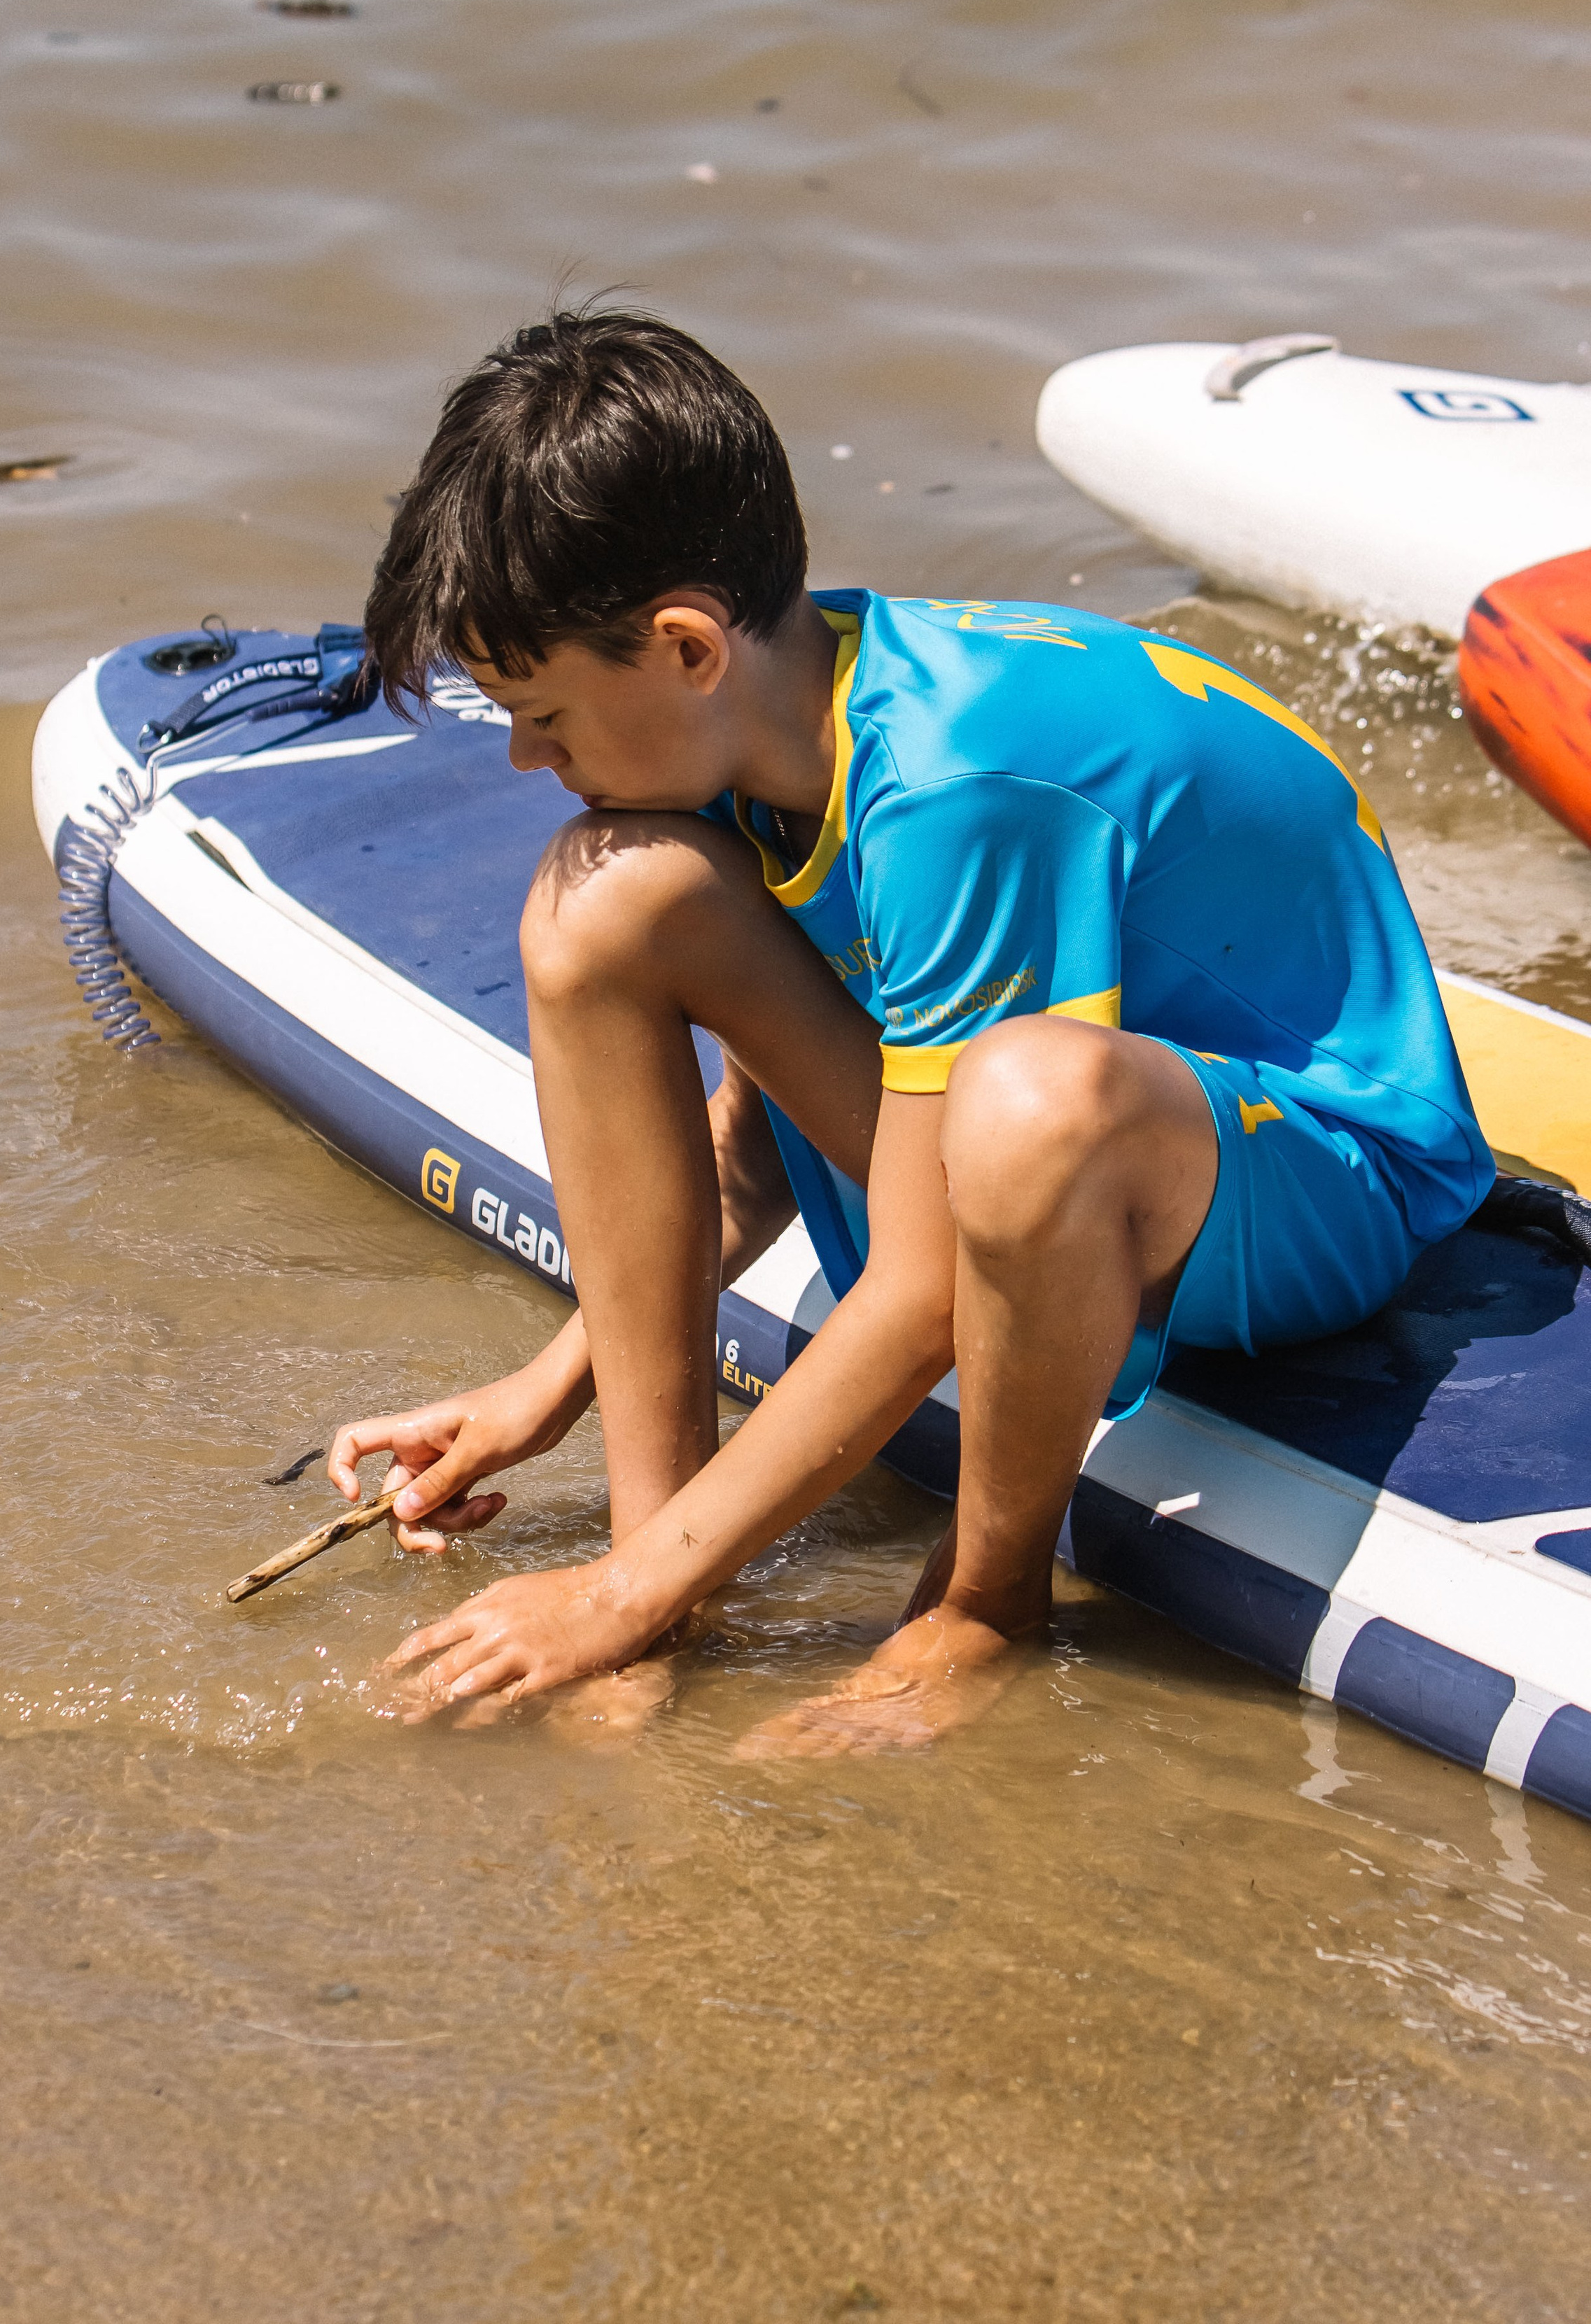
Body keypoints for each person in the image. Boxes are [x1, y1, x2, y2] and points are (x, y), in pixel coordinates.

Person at [326, 307, 1493, 1750]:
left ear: (685, 645)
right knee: (599, 905)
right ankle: (664, 1556)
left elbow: (930, 1279)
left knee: (1019, 1105)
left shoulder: (952, 789)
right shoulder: (774, 720)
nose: (524, 755)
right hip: (1089, 1140)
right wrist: (546, 1390)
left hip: (1320, 1171)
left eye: (543, 712)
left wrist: (610, 1593)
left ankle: (983, 1605)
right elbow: (760, 1150)